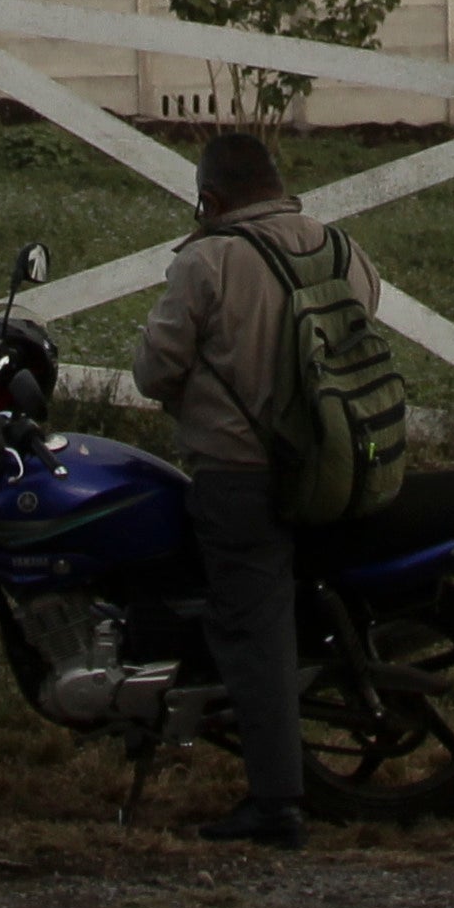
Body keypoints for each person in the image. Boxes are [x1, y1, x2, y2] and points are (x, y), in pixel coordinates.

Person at [131, 124, 377, 852]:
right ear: (277, 185)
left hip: (239, 476)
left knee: (252, 630)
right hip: (338, 468)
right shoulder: (343, 251)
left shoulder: (207, 261)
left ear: (210, 199)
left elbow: (154, 371)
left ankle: (276, 805)